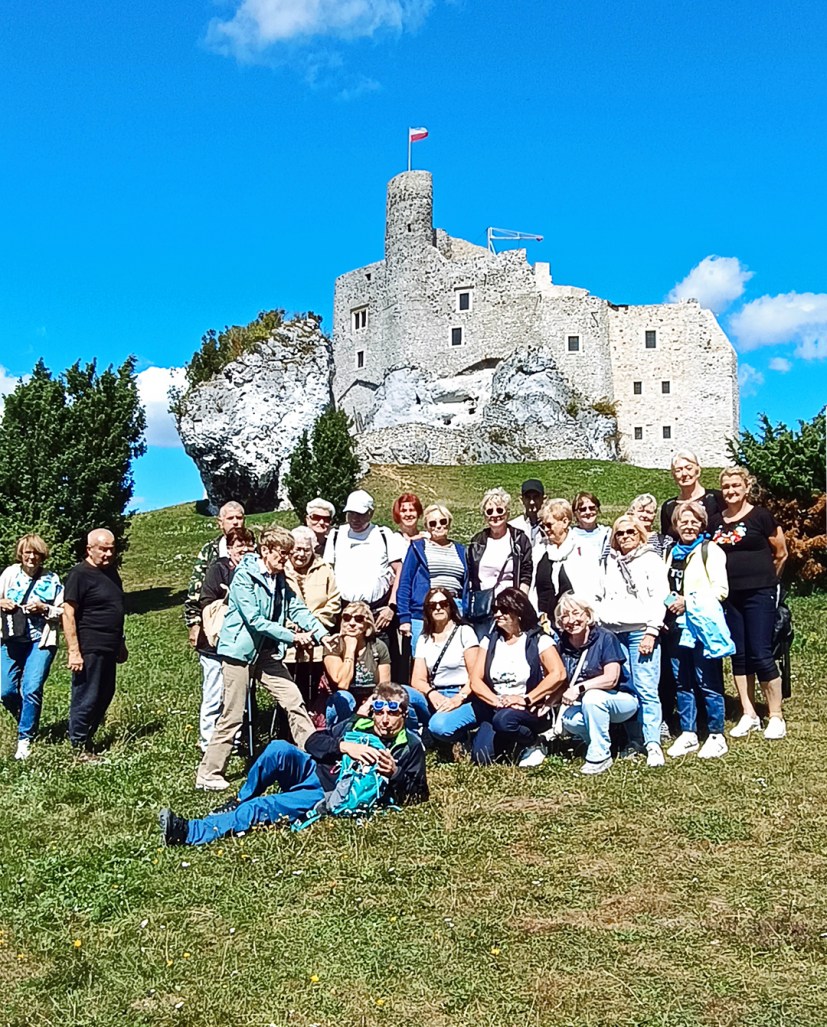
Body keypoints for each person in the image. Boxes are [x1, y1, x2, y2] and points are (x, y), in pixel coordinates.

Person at [159, 683, 428, 847]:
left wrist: (394, 773)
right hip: (313, 768)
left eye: (393, 713)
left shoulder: (410, 746)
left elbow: (419, 794)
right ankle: (239, 799)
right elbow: (312, 742)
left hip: (326, 791)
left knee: (262, 807)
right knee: (278, 748)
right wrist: (344, 746)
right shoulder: (358, 725)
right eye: (379, 711)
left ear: (404, 714)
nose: (384, 719)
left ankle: (190, 832)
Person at [196, 526, 329, 792]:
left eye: (288, 553)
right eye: (282, 553)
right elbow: (255, 620)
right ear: (266, 551)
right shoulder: (244, 577)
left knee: (293, 699)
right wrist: (293, 637)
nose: (286, 559)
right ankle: (208, 772)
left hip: (266, 653)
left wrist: (322, 634)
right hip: (238, 653)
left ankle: (312, 756)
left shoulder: (280, 580)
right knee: (233, 714)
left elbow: (296, 608)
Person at [710, 466, 789, 740]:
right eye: (726, 486)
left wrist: (769, 581)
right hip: (730, 596)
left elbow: (781, 552)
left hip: (760, 592)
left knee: (761, 652)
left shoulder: (761, 516)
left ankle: (776, 715)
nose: (731, 490)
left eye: (736, 485)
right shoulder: (715, 521)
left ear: (746, 487)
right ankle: (749, 712)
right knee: (739, 654)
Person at [597, 515, 670, 768]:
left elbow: (660, 596)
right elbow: (600, 593)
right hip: (614, 632)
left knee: (646, 687)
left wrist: (652, 631)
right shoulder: (609, 561)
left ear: (640, 534)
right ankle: (634, 739)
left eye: (631, 532)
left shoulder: (650, 559)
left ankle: (653, 743)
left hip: (641, 630)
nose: (625, 537)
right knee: (625, 687)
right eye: (620, 533)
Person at [469, 588, 566, 768]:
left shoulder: (539, 640)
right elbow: (475, 681)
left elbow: (558, 673)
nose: (498, 614)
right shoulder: (489, 641)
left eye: (504, 610)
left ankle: (534, 742)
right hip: (498, 707)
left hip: (529, 708)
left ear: (518, 611)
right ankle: (513, 743)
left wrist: (526, 699)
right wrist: (498, 702)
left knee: (504, 721)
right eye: (495, 609)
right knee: (481, 757)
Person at [663, 502, 730, 760]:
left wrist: (687, 602)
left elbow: (720, 590)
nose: (689, 526)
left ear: (702, 525)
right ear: (676, 525)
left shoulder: (710, 551)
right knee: (682, 680)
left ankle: (716, 734)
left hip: (701, 626)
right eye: (684, 522)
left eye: (694, 522)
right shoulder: (671, 552)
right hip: (676, 627)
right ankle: (688, 732)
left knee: (707, 679)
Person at [62, 528, 127, 760]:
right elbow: (68, 613)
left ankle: (87, 739)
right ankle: (79, 746)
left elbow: (115, 608)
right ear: (89, 549)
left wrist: (120, 643)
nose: (108, 554)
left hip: (110, 645)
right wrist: (74, 651)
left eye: (111, 549)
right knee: (87, 696)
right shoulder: (79, 574)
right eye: (103, 549)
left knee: (105, 694)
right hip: (90, 646)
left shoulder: (111, 573)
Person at [556, 593, 638, 775]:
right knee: (569, 720)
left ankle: (600, 756)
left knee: (593, 697)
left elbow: (611, 678)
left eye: (576, 613)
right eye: (565, 616)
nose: (572, 620)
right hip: (587, 704)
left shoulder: (605, 638)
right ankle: (603, 742)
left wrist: (579, 688)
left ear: (587, 615)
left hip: (621, 700)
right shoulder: (562, 645)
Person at [324, 489, 405, 673]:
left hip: (378, 614)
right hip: (346, 614)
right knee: (346, 665)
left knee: (381, 666)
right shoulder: (336, 535)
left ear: (371, 513)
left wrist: (391, 607)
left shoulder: (383, 534)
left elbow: (399, 571)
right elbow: (327, 573)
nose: (355, 519)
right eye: (351, 513)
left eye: (360, 514)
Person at [0, 534, 64, 760]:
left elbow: (63, 611)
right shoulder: (9, 574)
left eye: (36, 553)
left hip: (40, 641)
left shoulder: (52, 579)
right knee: (5, 690)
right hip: (10, 639)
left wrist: (44, 608)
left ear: (42, 555)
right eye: (27, 552)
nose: (31, 557)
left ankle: (25, 738)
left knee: (31, 688)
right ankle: (26, 717)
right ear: (21, 554)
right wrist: (2, 602)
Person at [196, 526, 257, 751]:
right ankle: (207, 741)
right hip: (214, 645)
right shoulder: (218, 569)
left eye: (248, 544)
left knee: (236, 694)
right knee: (214, 692)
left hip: (241, 645)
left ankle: (234, 739)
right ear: (229, 548)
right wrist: (228, 601)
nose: (244, 549)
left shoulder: (256, 571)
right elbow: (206, 600)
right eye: (239, 545)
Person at [406, 588, 479, 749]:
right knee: (401, 693)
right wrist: (431, 693)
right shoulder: (424, 638)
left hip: (462, 695)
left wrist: (459, 698)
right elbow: (417, 680)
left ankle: (460, 737)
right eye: (432, 605)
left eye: (443, 604)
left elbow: (476, 677)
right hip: (434, 695)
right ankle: (414, 743)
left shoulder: (464, 632)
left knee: (439, 726)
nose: (438, 608)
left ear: (450, 607)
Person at [283, 525, 342, 716]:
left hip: (318, 640)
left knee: (315, 689)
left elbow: (334, 602)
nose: (301, 554)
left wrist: (314, 625)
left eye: (306, 550)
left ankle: (316, 723)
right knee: (289, 691)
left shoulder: (325, 569)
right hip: (289, 641)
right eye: (297, 549)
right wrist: (291, 626)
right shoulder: (281, 570)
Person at [397, 504, 468, 652]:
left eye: (443, 521)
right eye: (433, 523)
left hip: (455, 609)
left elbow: (467, 583)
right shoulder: (418, 548)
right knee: (423, 658)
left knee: (454, 656)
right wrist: (404, 618)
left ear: (449, 523)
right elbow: (405, 583)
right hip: (424, 611)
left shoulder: (461, 550)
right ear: (427, 527)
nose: (438, 526)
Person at [466, 488, 533, 640]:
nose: (495, 515)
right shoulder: (477, 541)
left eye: (499, 510)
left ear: (507, 512)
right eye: (490, 511)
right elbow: (471, 574)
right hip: (484, 608)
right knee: (484, 645)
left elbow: (526, 572)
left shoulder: (519, 539)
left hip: (510, 607)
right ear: (485, 516)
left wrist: (520, 601)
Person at [184, 501, 246, 649]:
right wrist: (194, 622)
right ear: (220, 522)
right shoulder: (210, 550)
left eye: (239, 518)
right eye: (230, 518)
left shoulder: (255, 548)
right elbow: (196, 587)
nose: (235, 522)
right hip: (216, 620)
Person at [322, 602, 391, 726]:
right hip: (342, 703)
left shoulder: (378, 646)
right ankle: (342, 732)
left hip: (371, 701)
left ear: (367, 624)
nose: (352, 623)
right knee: (343, 697)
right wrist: (350, 648)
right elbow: (343, 684)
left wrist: (368, 705)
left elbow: (384, 687)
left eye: (358, 619)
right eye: (347, 618)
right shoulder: (333, 645)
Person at [532, 498, 592, 620]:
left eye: (549, 525)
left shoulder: (582, 548)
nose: (546, 529)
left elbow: (591, 587)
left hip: (574, 620)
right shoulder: (539, 549)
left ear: (565, 522)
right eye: (543, 526)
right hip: (544, 621)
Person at [660, 450, 724, 541]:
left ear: (698, 470)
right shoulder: (669, 507)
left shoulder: (716, 498)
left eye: (689, 468)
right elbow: (667, 540)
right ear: (673, 475)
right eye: (678, 470)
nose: (684, 474)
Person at [570, 492, 611, 593]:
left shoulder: (608, 534)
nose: (588, 512)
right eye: (582, 509)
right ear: (575, 513)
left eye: (592, 508)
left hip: (604, 587)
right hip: (577, 588)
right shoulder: (569, 536)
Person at [509, 478, 545, 546]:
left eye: (536, 497)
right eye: (528, 497)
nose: (532, 502)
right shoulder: (513, 526)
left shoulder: (551, 526)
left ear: (544, 499)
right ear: (521, 500)